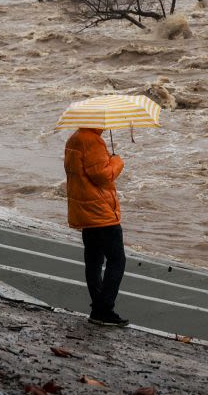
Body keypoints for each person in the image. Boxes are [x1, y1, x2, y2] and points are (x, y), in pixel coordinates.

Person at [63, 127, 129, 327]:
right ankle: (104, 309)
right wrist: (117, 162)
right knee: (117, 260)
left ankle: (97, 308)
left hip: (84, 210)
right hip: (100, 212)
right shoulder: (93, 142)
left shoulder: (73, 139)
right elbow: (102, 175)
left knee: (93, 260)